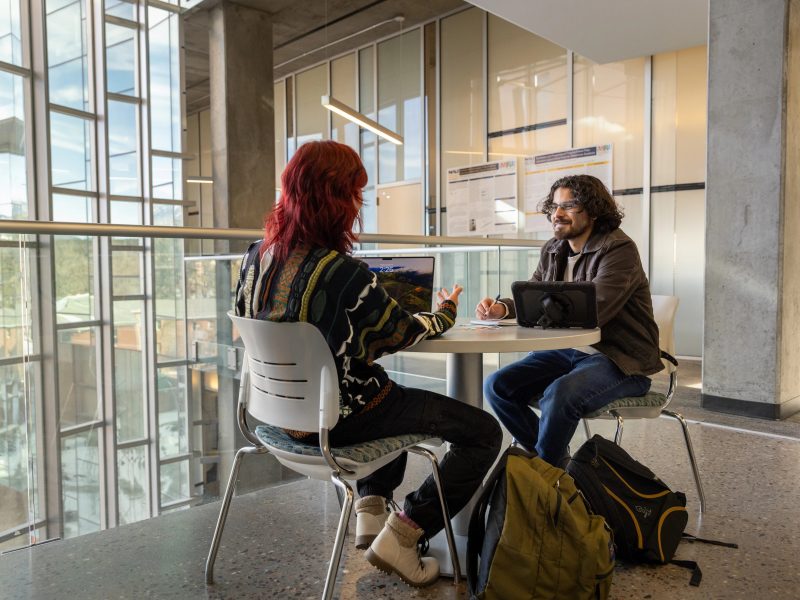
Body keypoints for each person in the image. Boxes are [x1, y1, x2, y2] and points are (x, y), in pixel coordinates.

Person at [235, 140, 501, 588]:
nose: (360, 205)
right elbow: (402, 333)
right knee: (482, 432)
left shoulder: (253, 259)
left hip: (276, 417)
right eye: (356, 194)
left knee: (383, 391)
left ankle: (371, 509)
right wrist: (447, 310)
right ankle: (404, 533)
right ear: (335, 198)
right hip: (337, 420)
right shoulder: (345, 273)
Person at [475, 174, 662, 467]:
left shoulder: (618, 249)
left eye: (569, 206)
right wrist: (502, 308)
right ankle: (553, 465)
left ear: (594, 210)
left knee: (558, 394)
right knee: (497, 386)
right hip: (567, 353)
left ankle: (546, 476)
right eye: (554, 206)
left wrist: (538, 310)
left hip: (620, 359)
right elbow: (533, 293)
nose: (557, 214)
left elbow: (594, 310)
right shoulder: (553, 248)